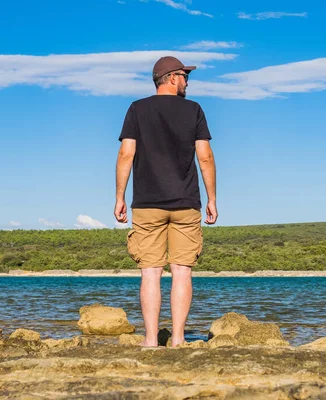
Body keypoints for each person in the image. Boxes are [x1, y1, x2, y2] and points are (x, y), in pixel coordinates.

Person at [114, 56, 218, 347]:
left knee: (151, 273)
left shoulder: (137, 109)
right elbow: (205, 157)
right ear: (172, 78)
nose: (187, 82)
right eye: (185, 76)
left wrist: (119, 197)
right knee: (182, 271)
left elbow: (126, 154)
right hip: (186, 203)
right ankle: (177, 340)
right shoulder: (194, 110)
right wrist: (212, 199)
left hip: (146, 203)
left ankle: (150, 340)